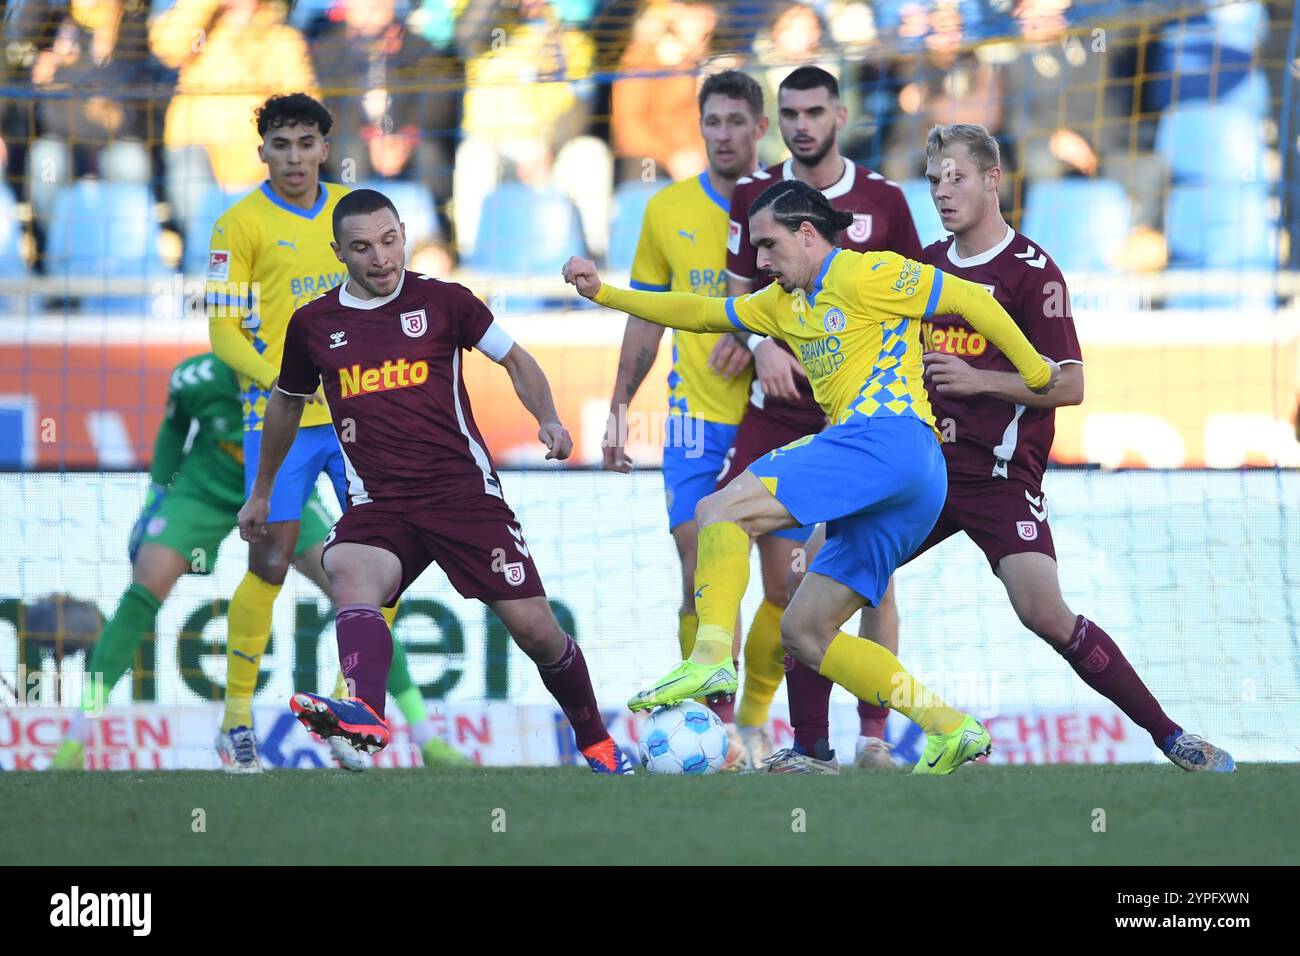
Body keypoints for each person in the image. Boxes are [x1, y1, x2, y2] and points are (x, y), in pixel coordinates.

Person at [564, 178, 1061, 774]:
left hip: (887, 438)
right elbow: (698, 314)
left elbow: (971, 301)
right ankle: (952, 729)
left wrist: (1035, 373)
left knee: (719, 510)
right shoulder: (779, 304)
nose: (761, 261)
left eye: (769, 246)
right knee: (805, 633)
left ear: (807, 233)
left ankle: (712, 655)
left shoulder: (865, 273)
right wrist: (606, 294)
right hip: (909, 483)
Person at [241, 188, 635, 774]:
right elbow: (287, 402)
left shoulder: (447, 301)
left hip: (462, 495)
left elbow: (516, 360)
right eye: (362, 248)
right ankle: (365, 715)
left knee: (538, 633)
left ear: (404, 232)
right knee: (347, 567)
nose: (380, 259)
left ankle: (597, 741)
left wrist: (547, 417)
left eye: (390, 241)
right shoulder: (314, 325)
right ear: (338, 253)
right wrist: (263, 489)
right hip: (381, 503)